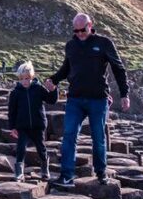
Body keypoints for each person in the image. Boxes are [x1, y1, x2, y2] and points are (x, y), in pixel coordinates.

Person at [46, 13, 129, 187]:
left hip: (98, 100)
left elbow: (118, 68)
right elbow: (66, 68)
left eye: (82, 30)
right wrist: (53, 80)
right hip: (75, 98)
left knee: (98, 137)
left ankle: (101, 172)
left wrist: (124, 94)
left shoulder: (104, 43)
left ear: (90, 25)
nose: (79, 34)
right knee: (69, 135)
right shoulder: (71, 45)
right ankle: (66, 175)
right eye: (75, 31)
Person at [8, 61, 58, 181]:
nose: (25, 81)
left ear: (32, 77)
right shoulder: (15, 93)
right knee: (21, 148)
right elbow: (12, 111)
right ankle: (19, 171)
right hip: (22, 126)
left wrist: (54, 89)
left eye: (27, 78)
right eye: (22, 79)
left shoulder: (38, 89)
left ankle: (45, 169)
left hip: (38, 125)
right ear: (19, 79)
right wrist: (12, 127)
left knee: (41, 148)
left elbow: (52, 100)